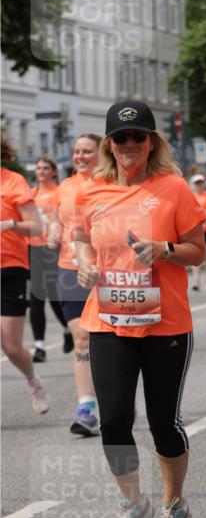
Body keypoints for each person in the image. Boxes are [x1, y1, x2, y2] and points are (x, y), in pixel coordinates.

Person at [74, 101, 206, 518]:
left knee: (162, 423)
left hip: (165, 323)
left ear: (152, 142)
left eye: (138, 137)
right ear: (110, 145)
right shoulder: (91, 191)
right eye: (121, 138)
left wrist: (166, 248)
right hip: (108, 319)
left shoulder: (174, 189)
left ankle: (173, 506)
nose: (130, 145)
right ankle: (133, 504)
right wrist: (85, 265)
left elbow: (197, 249)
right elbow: (80, 238)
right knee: (112, 420)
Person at [48, 134, 102, 436]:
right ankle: (87, 407)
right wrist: (54, 233)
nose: (80, 156)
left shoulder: (109, 183)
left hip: (103, 271)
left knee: (105, 341)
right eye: (77, 151)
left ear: (100, 153)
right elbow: (59, 218)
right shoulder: (65, 187)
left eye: (87, 151)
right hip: (69, 269)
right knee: (80, 336)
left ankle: (114, 397)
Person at [1, 136, 49, 414]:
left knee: (11, 346)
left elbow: (37, 228)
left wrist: (10, 224)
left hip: (10, 268)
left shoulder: (13, 182)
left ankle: (33, 381)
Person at [28, 155, 71, 361]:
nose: (42, 171)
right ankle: (39, 347)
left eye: (46, 168)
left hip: (53, 250)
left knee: (55, 296)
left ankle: (68, 327)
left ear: (54, 171)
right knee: (35, 298)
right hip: (33, 249)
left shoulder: (58, 192)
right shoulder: (31, 194)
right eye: (39, 168)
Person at [190, 174, 206, 291]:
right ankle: (196, 280)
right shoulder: (191, 196)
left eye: (201, 183)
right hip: (195, 229)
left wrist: (205, 220)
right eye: (197, 183)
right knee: (195, 253)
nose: (199, 185)